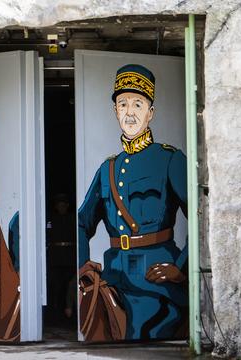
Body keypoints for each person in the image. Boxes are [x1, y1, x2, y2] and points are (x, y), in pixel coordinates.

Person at [77, 64, 188, 340]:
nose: (129, 112)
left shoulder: (170, 159)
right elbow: (81, 222)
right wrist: (82, 263)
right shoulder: (108, 169)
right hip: (114, 276)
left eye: (138, 104)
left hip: (155, 281)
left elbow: (201, 218)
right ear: (115, 110)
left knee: (139, 333)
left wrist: (180, 269)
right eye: (123, 103)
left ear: (150, 113)